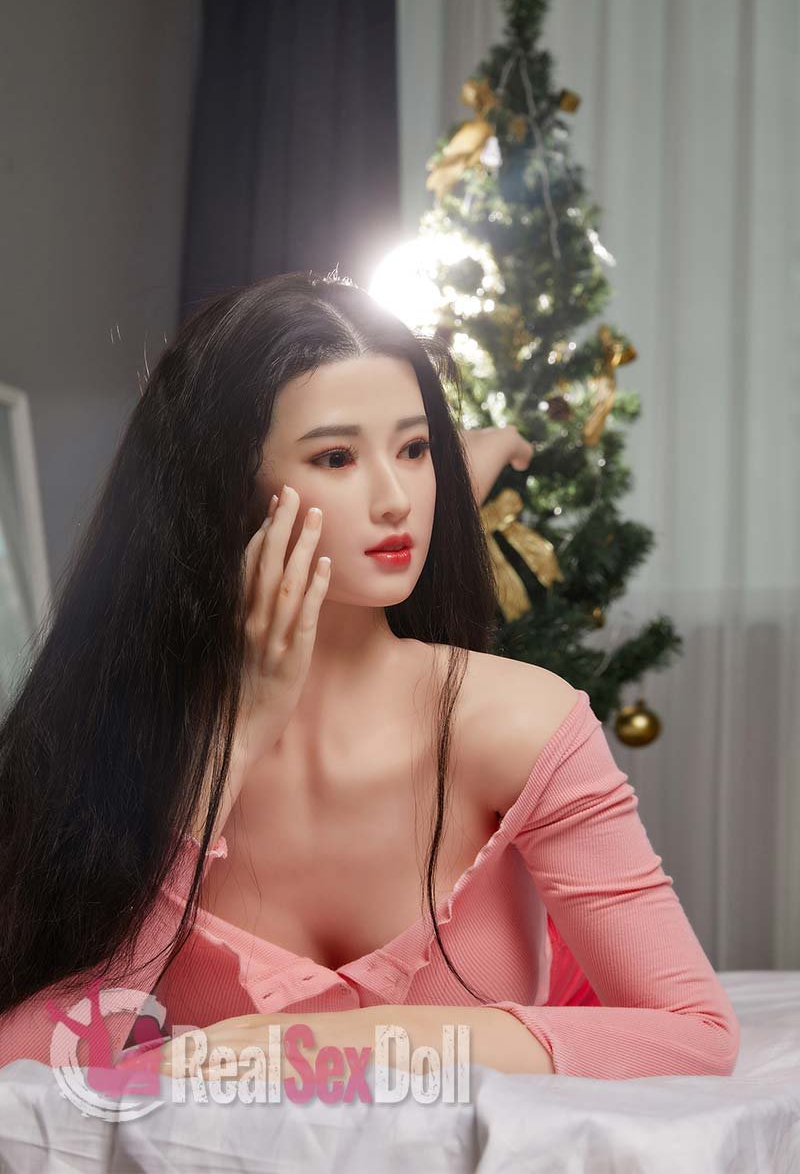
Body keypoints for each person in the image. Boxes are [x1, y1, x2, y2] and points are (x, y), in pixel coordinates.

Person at [0, 271, 739, 1081]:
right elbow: (29, 1062)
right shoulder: (124, 738)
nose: (396, 500)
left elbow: (697, 1035)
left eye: (416, 450)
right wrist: (231, 741)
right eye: (337, 456)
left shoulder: (517, 723)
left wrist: (337, 1044)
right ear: (227, 490)